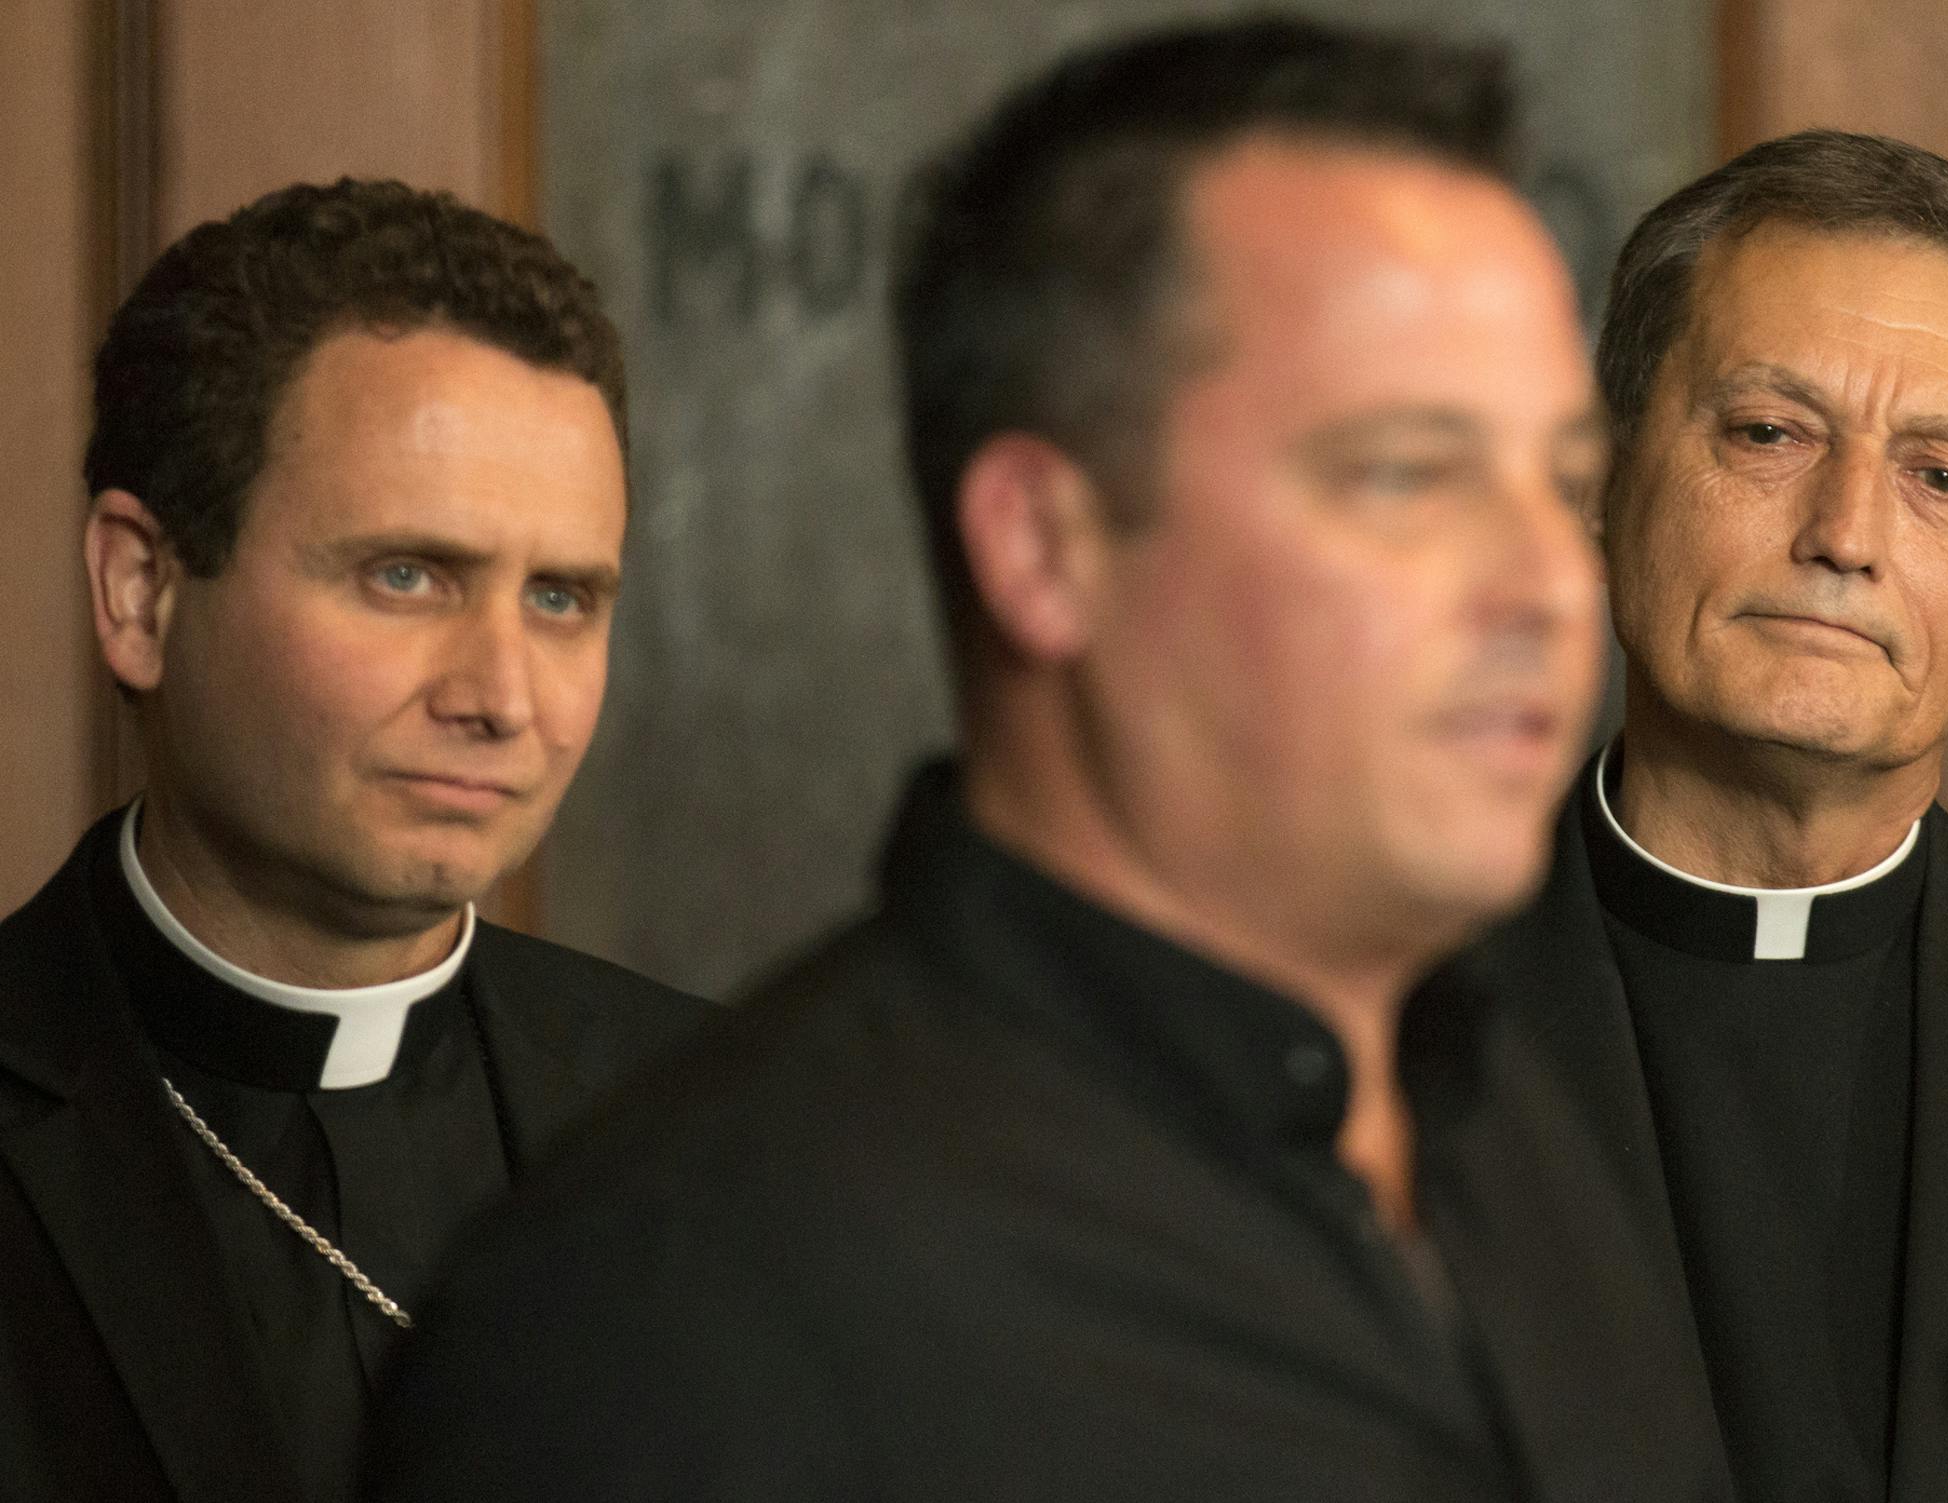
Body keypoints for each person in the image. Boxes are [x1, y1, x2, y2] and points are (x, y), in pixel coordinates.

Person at [366, 18, 1731, 1503]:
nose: (1547, 584)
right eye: (1407, 474)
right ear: (1044, 546)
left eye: (1569, 481)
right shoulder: (659, 1317)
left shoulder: (1519, 1123)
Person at [1429, 129, 1948, 1501]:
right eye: (1769, 433)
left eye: (1942, 476)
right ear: (1598, 478)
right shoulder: (1341, 1013)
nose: (1845, 533)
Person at [0, 178, 706, 1503]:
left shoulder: (724, 1127)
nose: (501, 696)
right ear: (141, 590)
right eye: (407, 576)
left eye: (561, 597)